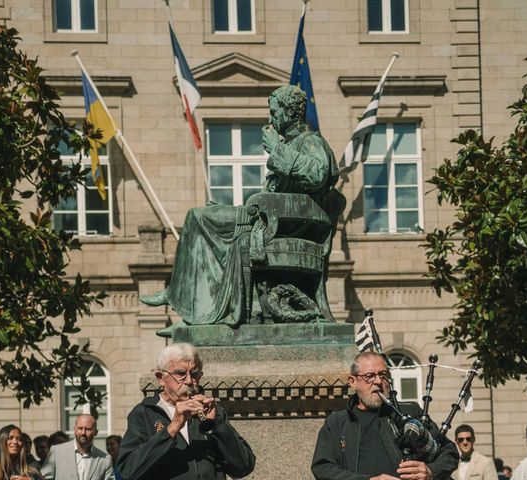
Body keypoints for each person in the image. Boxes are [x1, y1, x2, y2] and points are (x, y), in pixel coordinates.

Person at [140, 85, 340, 329]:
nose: (271, 118)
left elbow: (318, 174)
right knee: (204, 218)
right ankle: (192, 313)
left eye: (274, 112)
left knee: (197, 217)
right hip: (273, 223)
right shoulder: (295, 143)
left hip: (286, 229)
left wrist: (277, 150)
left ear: (290, 112)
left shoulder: (310, 141)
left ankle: (187, 304)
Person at [116, 343, 256, 480]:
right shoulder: (144, 413)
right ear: (161, 378)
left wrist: (218, 425)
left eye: (195, 374)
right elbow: (128, 471)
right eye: (180, 373)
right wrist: (172, 428)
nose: (189, 381)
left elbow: (244, 466)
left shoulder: (211, 410)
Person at [311, 351, 459, 480]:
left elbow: (449, 452)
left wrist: (431, 471)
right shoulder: (337, 423)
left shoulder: (409, 412)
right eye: (369, 376)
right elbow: (323, 469)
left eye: (383, 375)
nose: (378, 382)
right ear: (353, 382)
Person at [40, 415, 113, 480]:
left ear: (96, 432)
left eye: (88, 429)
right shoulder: (57, 452)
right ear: (74, 430)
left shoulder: (105, 459)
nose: (83, 433)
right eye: (80, 428)